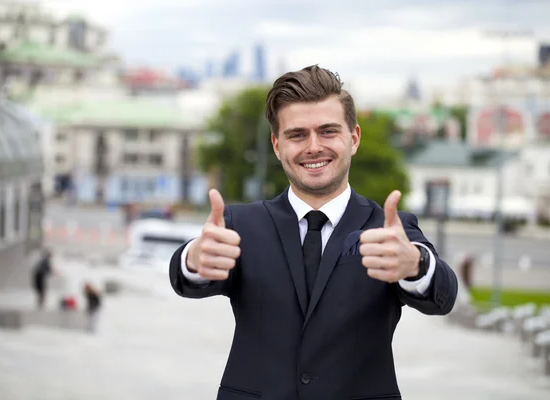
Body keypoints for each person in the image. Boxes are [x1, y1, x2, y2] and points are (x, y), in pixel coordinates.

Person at [169, 65, 458, 400]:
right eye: (297, 135)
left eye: (328, 131)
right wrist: (193, 258)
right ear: (277, 146)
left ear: (354, 138)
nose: (313, 146)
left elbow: (444, 296)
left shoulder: (391, 232)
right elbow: (186, 278)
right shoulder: (239, 226)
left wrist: (416, 264)